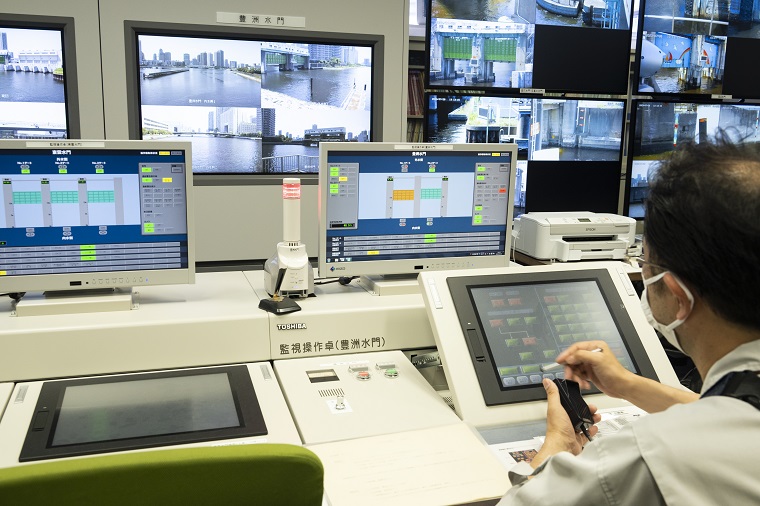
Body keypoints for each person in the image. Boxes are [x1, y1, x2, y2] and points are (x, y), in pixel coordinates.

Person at [499, 135, 760, 504]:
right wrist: (626, 385)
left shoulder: (647, 455)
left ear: (677, 296)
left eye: (645, 267)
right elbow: (737, 416)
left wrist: (556, 444)